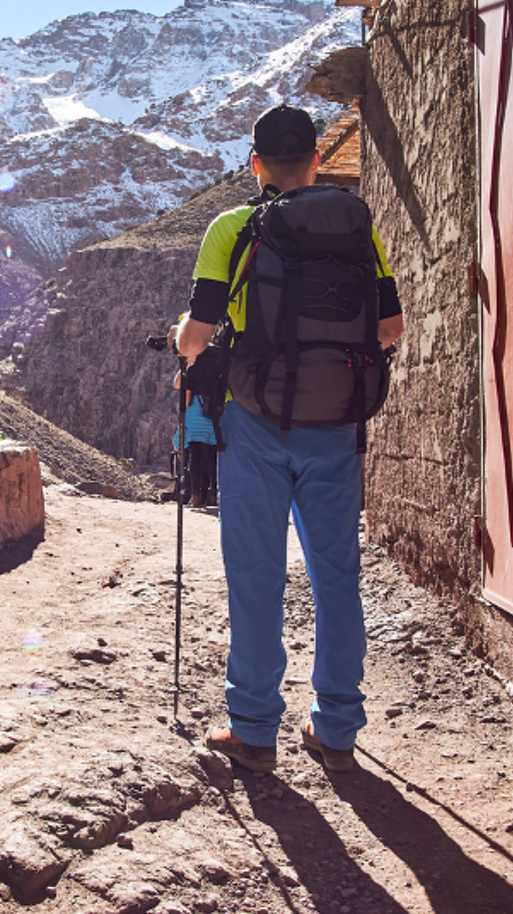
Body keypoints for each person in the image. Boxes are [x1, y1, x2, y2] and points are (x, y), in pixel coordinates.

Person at [168, 104, 404, 773]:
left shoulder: (234, 227)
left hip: (256, 422)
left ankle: (253, 727)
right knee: (336, 575)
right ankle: (336, 728)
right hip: (337, 427)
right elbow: (391, 329)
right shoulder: (358, 228)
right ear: (317, 162)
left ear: (257, 164)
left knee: (256, 573)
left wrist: (193, 344)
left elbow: (195, 338)